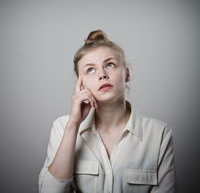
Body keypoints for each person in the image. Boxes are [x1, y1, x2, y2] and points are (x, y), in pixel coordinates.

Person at [38, 29, 177, 193]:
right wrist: (73, 126)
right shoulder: (62, 127)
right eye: (90, 70)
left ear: (126, 74)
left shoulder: (159, 133)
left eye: (110, 65)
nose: (102, 75)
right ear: (81, 85)